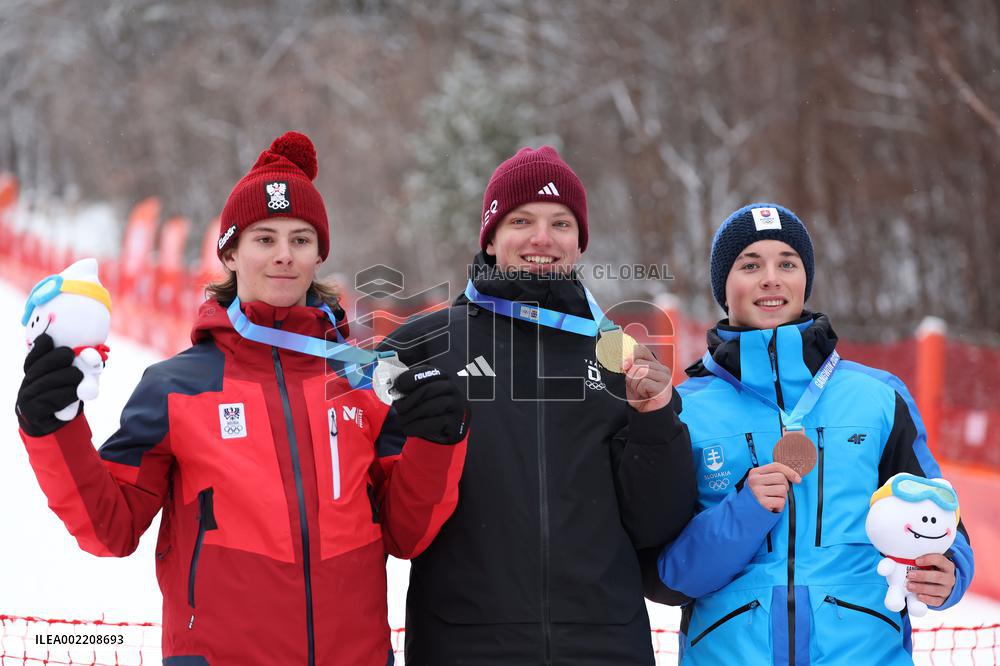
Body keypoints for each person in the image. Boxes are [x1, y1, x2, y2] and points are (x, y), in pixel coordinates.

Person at [15, 131, 470, 666]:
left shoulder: (363, 381)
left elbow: (405, 532)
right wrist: (53, 426)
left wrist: (438, 441)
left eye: (301, 240)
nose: (284, 256)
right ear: (230, 251)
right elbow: (109, 529)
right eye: (265, 239)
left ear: (320, 254)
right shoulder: (174, 388)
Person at [379, 146, 697, 665]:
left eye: (561, 223)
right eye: (521, 220)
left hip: (604, 646)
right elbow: (389, 521)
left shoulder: (620, 354)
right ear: (490, 237)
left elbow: (655, 525)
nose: (542, 239)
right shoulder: (420, 348)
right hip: (465, 646)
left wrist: (655, 419)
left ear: (580, 240)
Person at [655, 203, 974, 664]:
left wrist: (950, 572)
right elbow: (669, 576)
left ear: (806, 279)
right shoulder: (686, 410)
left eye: (788, 262)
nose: (772, 278)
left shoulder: (879, 398)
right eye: (750, 265)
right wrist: (744, 512)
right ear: (724, 285)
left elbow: (942, 518)